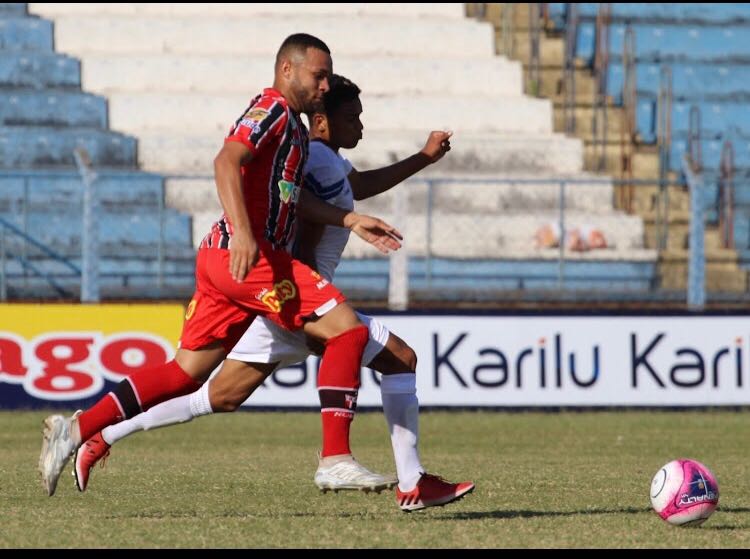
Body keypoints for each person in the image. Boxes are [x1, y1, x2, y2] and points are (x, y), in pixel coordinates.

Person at [73, 75, 475, 512]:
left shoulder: (329, 161)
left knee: (218, 396)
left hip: (287, 298)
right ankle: (406, 480)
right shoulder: (314, 159)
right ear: (321, 122)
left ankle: (103, 434)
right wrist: (317, 275)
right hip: (293, 297)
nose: (360, 126)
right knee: (399, 357)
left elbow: (356, 187)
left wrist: (422, 158)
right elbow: (295, 208)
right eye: (351, 117)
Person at [38, 33, 404, 498]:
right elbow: (226, 159)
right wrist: (246, 232)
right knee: (347, 330)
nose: (326, 85)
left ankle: (76, 430)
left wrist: (349, 218)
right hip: (247, 257)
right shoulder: (271, 107)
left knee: (185, 372)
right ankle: (335, 459)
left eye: (328, 75)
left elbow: (293, 200)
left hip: (225, 260)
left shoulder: (293, 125)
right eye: (320, 74)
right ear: (287, 70)